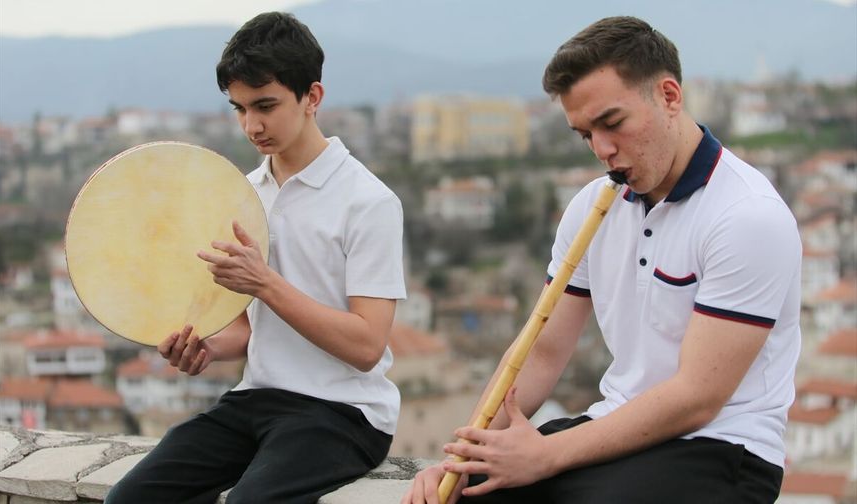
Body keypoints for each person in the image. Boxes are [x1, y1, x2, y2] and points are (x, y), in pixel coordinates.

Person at [403, 15, 800, 504]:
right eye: (584, 134)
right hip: (614, 427)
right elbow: (542, 352)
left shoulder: (747, 217)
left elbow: (697, 398)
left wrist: (545, 456)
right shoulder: (593, 206)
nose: (602, 150)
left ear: (670, 97)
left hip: (721, 446)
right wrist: (461, 460)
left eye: (612, 124)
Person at [106, 12, 406, 504]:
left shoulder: (369, 202)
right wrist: (205, 347)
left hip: (345, 412)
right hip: (257, 398)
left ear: (312, 97)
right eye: (239, 108)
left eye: (265, 105)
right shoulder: (241, 194)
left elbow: (367, 345)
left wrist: (266, 283)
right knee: (130, 499)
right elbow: (248, 330)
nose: (252, 125)